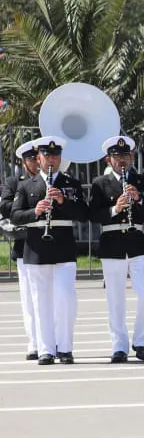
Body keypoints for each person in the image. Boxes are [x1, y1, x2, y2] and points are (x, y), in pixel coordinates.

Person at [10, 136, 86, 364]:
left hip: (63, 246)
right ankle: (46, 349)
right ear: (38, 158)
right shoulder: (26, 185)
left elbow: (84, 214)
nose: (51, 159)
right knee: (40, 300)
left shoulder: (71, 183)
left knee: (66, 297)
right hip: (36, 247)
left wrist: (63, 201)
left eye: (55, 155)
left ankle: (65, 348)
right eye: (47, 155)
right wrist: (34, 211)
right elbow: (15, 215)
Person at [89, 135, 144, 363]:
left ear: (132, 157)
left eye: (125, 155)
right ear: (108, 159)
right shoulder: (100, 183)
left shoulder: (141, 180)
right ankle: (119, 345)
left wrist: (139, 199)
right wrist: (114, 209)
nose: (122, 160)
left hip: (136, 241)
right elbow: (93, 214)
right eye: (117, 156)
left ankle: (141, 341)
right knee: (115, 298)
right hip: (112, 243)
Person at [0, 140, 41, 360]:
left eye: (37, 158)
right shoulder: (14, 182)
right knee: (29, 297)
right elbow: (5, 206)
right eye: (31, 159)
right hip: (25, 244)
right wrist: (25, 201)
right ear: (23, 162)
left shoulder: (49, 180)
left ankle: (51, 340)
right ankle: (34, 342)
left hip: (50, 244)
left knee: (52, 296)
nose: (36, 162)